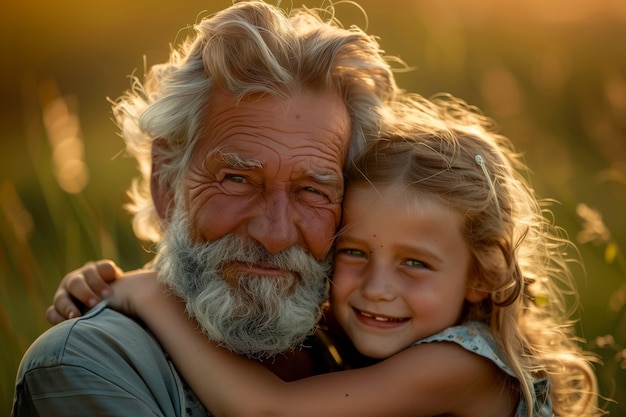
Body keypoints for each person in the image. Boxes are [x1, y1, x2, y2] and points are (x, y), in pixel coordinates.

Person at [59, 96, 601, 416]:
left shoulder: (464, 362)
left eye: (416, 263)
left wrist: (148, 294)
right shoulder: (380, 332)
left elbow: (272, 412)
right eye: (354, 252)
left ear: (481, 276)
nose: (377, 287)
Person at [12, 1, 400, 415]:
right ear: (165, 182)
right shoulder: (91, 362)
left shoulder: (379, 343)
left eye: (312, 191)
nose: (275, 233)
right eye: (237, 180)